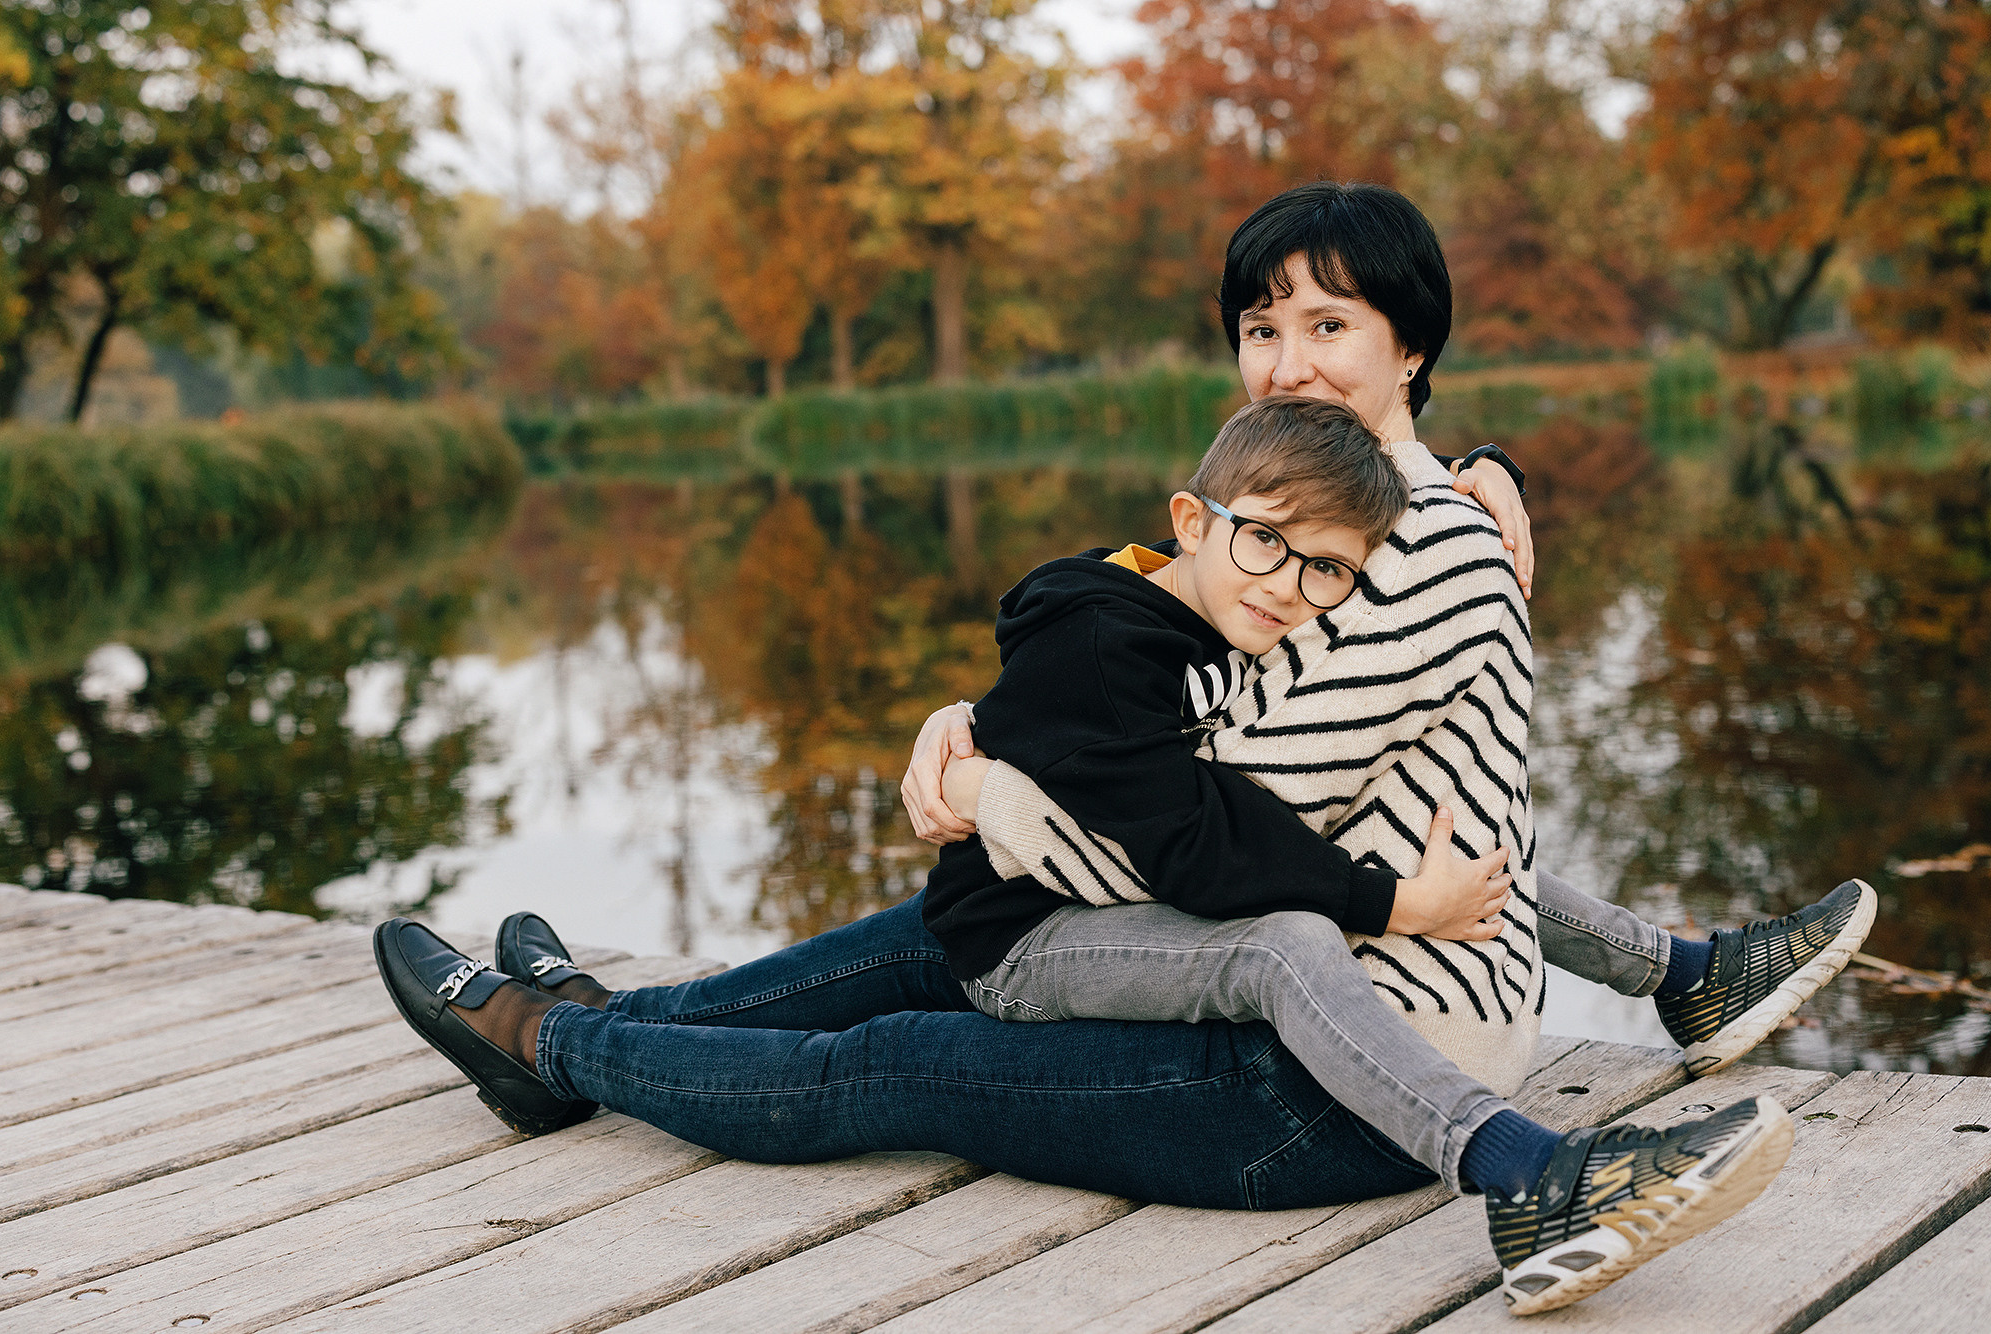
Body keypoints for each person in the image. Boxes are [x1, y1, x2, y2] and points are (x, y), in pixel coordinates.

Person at [370, 181, 1875, 1319]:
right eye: (1262, 329)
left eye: (1329, 326)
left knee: (910, 1035)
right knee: (935, 939)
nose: (1285, 362)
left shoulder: (1422, 548)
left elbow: (1213, 820)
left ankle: (546, 1041)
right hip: (1282, 982)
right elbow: (1144, 692)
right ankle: (588, 1027)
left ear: (1411, 347)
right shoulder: (1323, 520)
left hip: (1339, 1066)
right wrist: (987, 725)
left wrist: (987, 787)